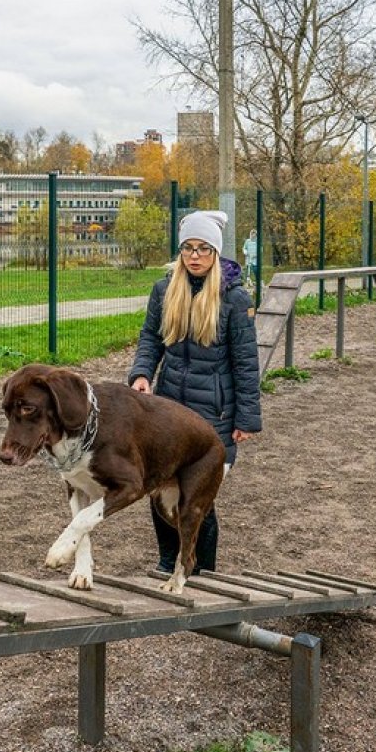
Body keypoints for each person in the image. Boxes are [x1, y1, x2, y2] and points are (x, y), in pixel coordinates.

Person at [128, 210, 262, 574]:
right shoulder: (164, 289)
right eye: (188, 248)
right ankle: (167, 561)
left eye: (203, 249)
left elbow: (247, 363)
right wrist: (141, 373)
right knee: (157, 488)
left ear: (216, 253)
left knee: (198, 498)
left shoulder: (234, 299)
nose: (195, 256)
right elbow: (150, 339)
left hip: (213, 416)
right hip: (168, 410)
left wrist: (246, 418)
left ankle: (204, 572)